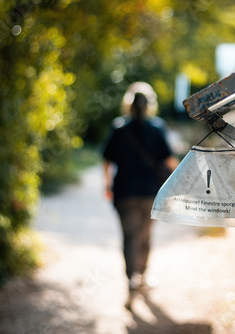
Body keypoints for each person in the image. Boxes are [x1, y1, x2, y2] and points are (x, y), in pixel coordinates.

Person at [102, 82, 178, 302]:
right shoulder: (157, 128)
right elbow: (170, 160)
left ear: (128, 104)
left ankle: (130, 280)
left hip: (124, 192)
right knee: (144, 236)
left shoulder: (118, 128)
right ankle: (142, 277)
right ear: (149, 105)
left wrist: (107, 186)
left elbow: (106, 161)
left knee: (129, 237)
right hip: (151, 193)